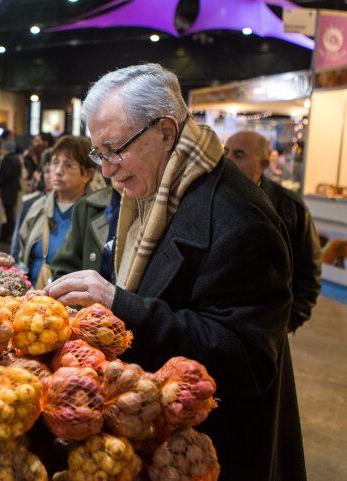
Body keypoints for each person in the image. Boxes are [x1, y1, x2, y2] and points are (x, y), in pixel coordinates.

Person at [44, 64, 305, 481]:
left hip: (212, 448)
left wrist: (119, 303)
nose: (107, 169)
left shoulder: (241, 218)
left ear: (166, 131)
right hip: (155, 424)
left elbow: (246, 358)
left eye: (115, 149)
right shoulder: (147, 195)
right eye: (99, 153)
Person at [225, 130, 322, 332]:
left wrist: (288, 321)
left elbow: (308, 271)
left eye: (239, 155)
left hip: (267, 328)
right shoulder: (212, 199)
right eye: (226, 152)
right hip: (220, 324)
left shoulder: (290, 207)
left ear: (263, 165)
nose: (229, 160)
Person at [14, 135, 100, 288]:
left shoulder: (98, 213)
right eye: (55, 162)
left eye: (68, 165)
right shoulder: (37, 207)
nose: (58, 171)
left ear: (88, 174)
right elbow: (20, 255)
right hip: (33, 298)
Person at [0, 139, 22, 242]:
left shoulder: (7, 160)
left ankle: (10, 235)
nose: (0, 150)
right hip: (13, 189)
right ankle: (9, 234)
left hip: (7, 190)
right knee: (10, 212)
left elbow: (5, 175)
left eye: (2, 148)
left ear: (6, 149)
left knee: (8, 213)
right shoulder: (16, 159)